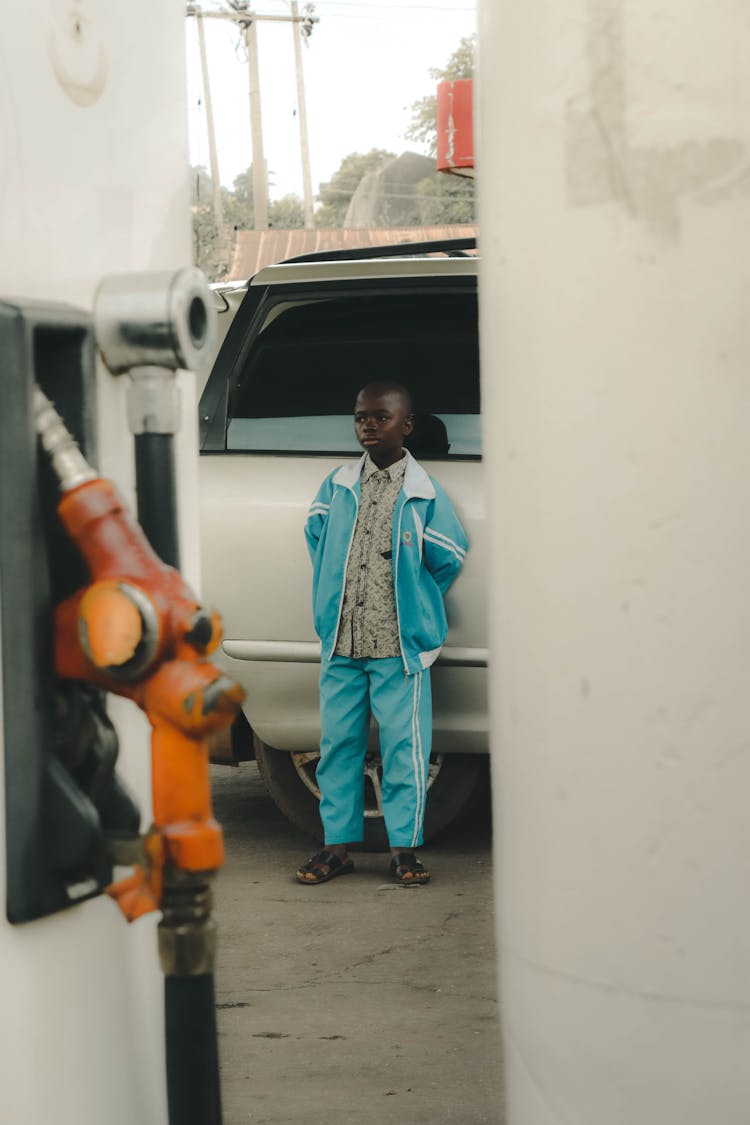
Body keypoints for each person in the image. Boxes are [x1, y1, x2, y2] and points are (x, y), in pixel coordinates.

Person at [296, 381, 468, 887]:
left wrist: (412, 603)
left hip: (399, 646)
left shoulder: (423, 493)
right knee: (338, 745)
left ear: (406, 425)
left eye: (381, 417)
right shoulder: (339, 485)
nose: (368, 425)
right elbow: (317, 541)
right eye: (360, 417)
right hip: (343, 641)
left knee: (403, 747)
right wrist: (335, 592)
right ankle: (336, 848)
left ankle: (404, 849)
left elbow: (447, 558)